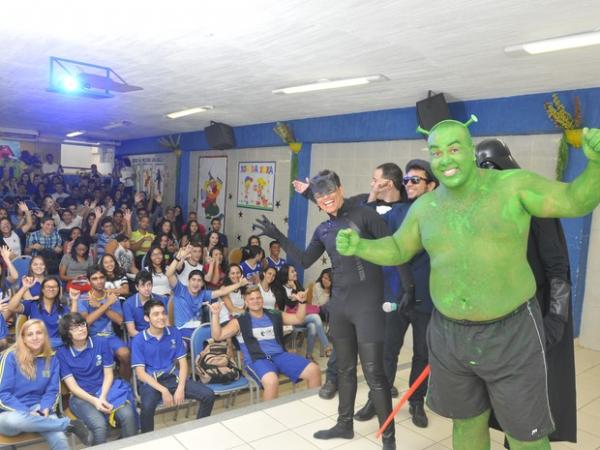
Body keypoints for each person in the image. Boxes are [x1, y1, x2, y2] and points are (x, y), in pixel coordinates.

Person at [335, 121, 600, 450]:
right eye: (437, 152)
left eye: (454, 148)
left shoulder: (512, 186)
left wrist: (596, 165)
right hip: (449, 335)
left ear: (471, 149)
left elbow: (575, 200)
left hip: (511, 333)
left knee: (525, 435)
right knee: (465, 425)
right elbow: (398, 248)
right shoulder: (425, 207)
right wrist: (361, 247)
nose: (445, 159)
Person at [254, 170, 396, 449]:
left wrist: (406, 290)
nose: (326, 199)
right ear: (316, 201)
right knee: (344, 369)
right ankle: (345, 425)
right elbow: (305, 261)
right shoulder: (323, 230)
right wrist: (278, 236)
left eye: (330, 192)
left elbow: (395, 250)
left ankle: (389, 438)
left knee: (373, 373)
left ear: (340, 189)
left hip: (368, 305)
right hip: (340, 305)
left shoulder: (364, 215)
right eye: (320, 196)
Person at [476, 138, 577, 444]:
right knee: (505, 398)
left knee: (530, 405)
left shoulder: (534, 202)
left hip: (536, 315)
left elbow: (558, 269)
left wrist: (555, 321)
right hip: (501, 318)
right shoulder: (492, 207)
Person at [355, 159, 438, 426]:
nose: (409, 185)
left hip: (426, 297)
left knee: (423, 353)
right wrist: (374, 193)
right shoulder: (397, 212)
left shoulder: (440, 215)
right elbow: (365, 226)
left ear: (432, 185)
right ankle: (376, 399)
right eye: (406, 180)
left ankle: (416, 402)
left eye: (416, 180)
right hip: (395, 295)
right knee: (387, 352)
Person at [210, 285, 321, 401]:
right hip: (256, 359)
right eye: (251, 299)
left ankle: (315, 406)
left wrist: (302, 302)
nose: (256, 301)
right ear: (246, 302)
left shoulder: (275, 314)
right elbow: (218, 336)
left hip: (279, 355)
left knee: (314, 370)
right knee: (271, 381)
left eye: (258, 298)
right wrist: (215, 315)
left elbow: (299, 319)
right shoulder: (240, 321)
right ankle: (269, 416)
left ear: (262, 300)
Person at [0, 319, 91, 449]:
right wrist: (26, 412)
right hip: (10, 413)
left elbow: (52, 391)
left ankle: (62, 425)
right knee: (17, 420)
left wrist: (45, 408)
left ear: (45, 336)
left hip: (40, 409)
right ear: (23, 338)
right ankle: (67, 425)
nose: (35, 337)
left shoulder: (52, 358)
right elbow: (3, 394)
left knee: (59, 438)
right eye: (30, 334)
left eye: (39, 333)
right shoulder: (10, 357)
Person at [131, 299, 215, 433]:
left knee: (208, 395)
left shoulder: (174, 332)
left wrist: (181, 387)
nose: (161, 317)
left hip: (172, 378)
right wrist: (163, 391)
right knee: (147, 407)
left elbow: (183, 363)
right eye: (156, 314)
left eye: (163, 313)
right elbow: (140, 373)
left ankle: (200, 430)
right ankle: (147, 439)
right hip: (152, 382)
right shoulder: (138, 340)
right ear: (147, 318)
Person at [57, 313, 137, 445]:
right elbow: (73, 388)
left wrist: (103, 397)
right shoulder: (62, 353)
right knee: (100, 426)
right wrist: (95, 401)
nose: (81, 329)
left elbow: (108, 374)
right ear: (67, 333)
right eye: (75, 327)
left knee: (128, 415)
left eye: (82, 324)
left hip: (105, 389)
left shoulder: (101, 342)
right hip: (81, 397)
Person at [74, 265, 130, 379]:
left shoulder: (112, 297)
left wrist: (100, 305)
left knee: (125, 354)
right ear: (89, 281)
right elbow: (85, 322)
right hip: (91, 338)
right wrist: (107, 305)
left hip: (111, 337)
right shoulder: (84, 299)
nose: (99, 281)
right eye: (95, 278)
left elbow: (120, 320)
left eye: (101, 277)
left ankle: (125, 385)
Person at [272, 264, 331, 360]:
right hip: (287, 319)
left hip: (300, 317)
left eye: (295, 271)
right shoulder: (279, 288)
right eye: (292, 271)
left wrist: (295, 288)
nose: (295, 273)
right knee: (315, 317)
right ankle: (326, 346)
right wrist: (294, 290)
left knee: (312, 326)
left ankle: (308, 356)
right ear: (286, 274)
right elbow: (289, 305)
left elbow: (304, 302)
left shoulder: (296, 283)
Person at [173, 269, 248, 339]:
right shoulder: (180, 290)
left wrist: (239, 284)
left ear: (202, 283)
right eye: (193, 280)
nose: (196, 283)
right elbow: (169, 274)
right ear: (188, 281)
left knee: (216, 342)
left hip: (198, 329)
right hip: (182, 331)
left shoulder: (203, 294)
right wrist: (178, 258)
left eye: (199, 280)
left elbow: (222, 291)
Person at [8, 276, 67, 348]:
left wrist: (74, 301)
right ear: (42, 289)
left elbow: (71, 327)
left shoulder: (63, 309)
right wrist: (25, 287)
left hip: (57, 348)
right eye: (48, 286)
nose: (51, 289)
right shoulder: (32, 304)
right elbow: (11, 307)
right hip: (35, 345)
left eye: (55, 287)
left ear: (58, 290)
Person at [123, 271, 170, 337]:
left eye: (149, 285)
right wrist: (150, 338)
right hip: (140, 338)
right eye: (142, 285)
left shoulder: (161, 299)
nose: (146, 288)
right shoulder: (128, 304)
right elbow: (132, 331)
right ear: (137, 287)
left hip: (160, 336)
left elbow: (167, 324)